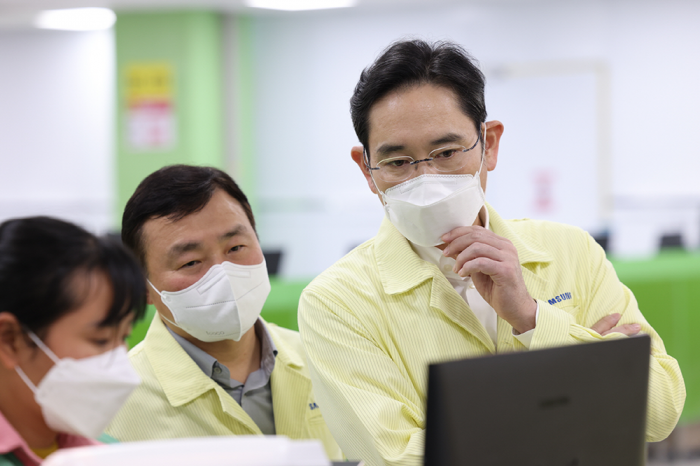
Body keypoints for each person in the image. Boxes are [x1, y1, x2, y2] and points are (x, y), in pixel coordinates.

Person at [297, 39, 685, 466]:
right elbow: (398, 459)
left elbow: (661, 411)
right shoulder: (335, 302)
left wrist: (531, 317)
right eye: (398, 162)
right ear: (366, 170)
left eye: (445, 153)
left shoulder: (570, 250)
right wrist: (586, 374)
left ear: (490, 145)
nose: (425, 178)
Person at [105, 165, 342, 460]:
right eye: (191, 262)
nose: (224, 274)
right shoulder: (113, 406)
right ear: (143, 287)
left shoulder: (327, 360)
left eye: (236, 247)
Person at [0, 217, 147, 466]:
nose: (121, 363)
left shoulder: (108, 454)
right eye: (100, 340)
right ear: (10, 340)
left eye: (123, 337)